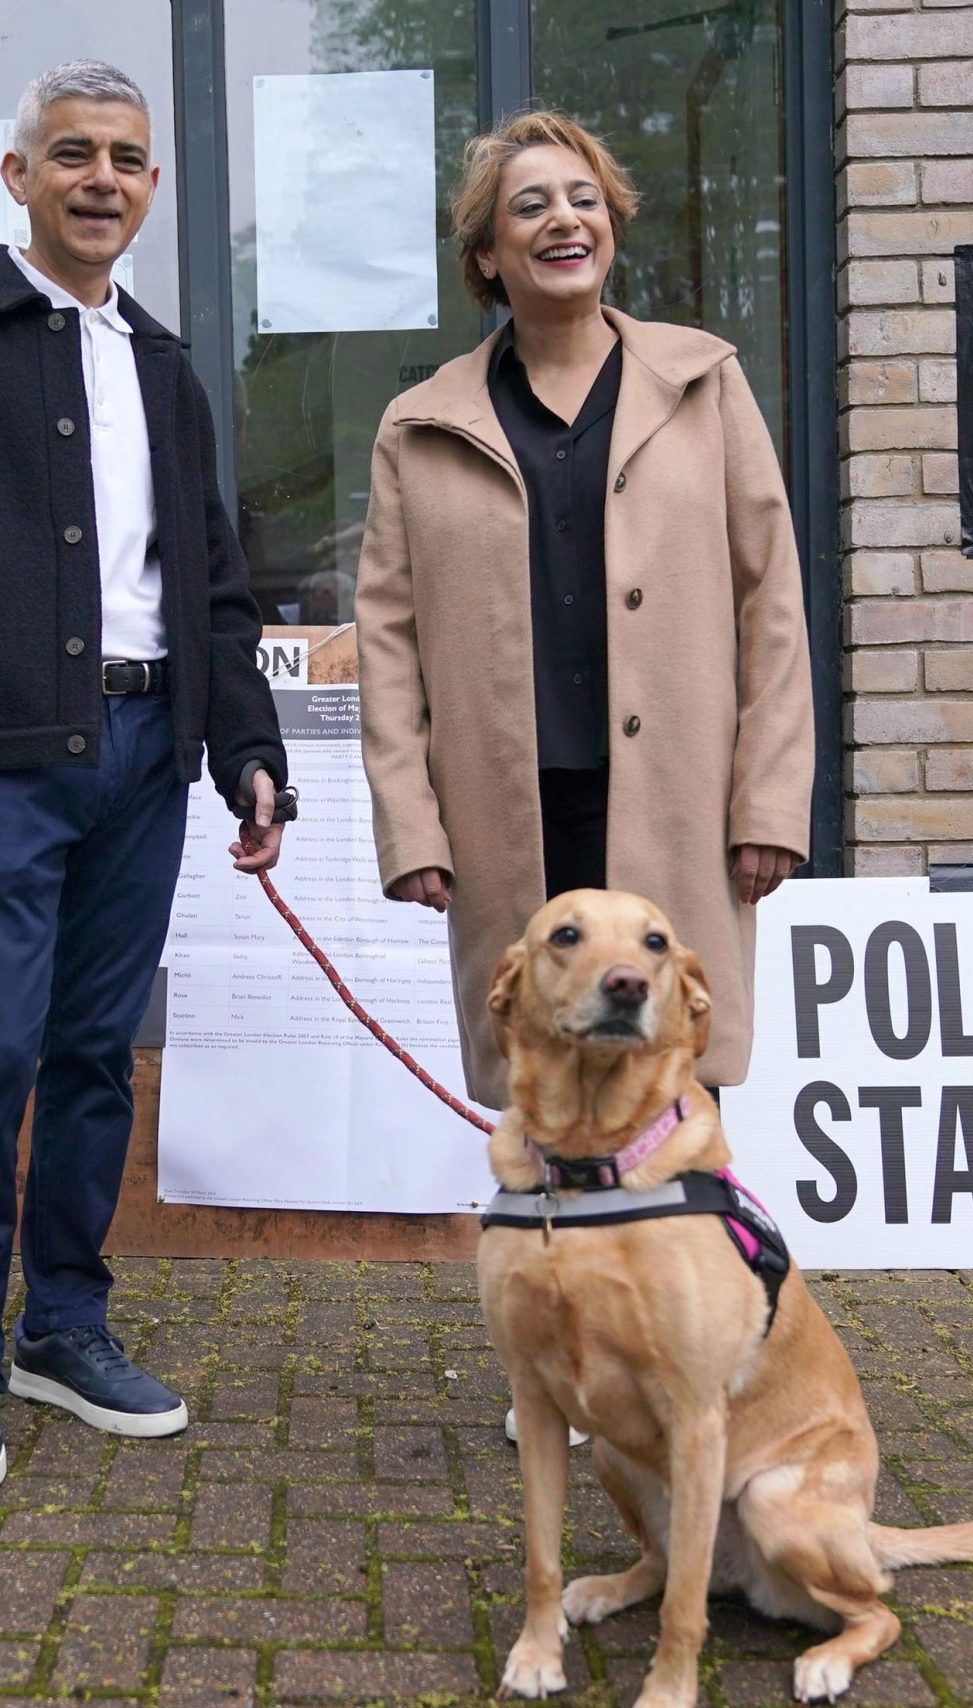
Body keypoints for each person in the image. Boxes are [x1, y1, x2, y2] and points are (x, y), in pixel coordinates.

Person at [0, 59, 288, 1497]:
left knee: (99, 1052)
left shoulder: (164, 363)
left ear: (152, 189)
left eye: (129, 160)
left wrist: (246, 752)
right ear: (18, 174)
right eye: (75, 154)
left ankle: (68, 1326)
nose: (104, 178)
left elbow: (210, 581)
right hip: (0, 767)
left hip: (145, 759)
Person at [356, 109, 812, 1115]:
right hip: (505, 812)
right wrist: (410, 824)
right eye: (531, 206)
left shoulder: (704, 383)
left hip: (677, 802)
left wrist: (769, 801)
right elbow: (387, 643)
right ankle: (558, 1272)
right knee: (540, 1074)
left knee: (673, 1077)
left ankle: (677, 1272)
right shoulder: (420, 425)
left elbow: (771, 601)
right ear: (486, 251)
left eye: (584, 199)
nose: (565, 220)